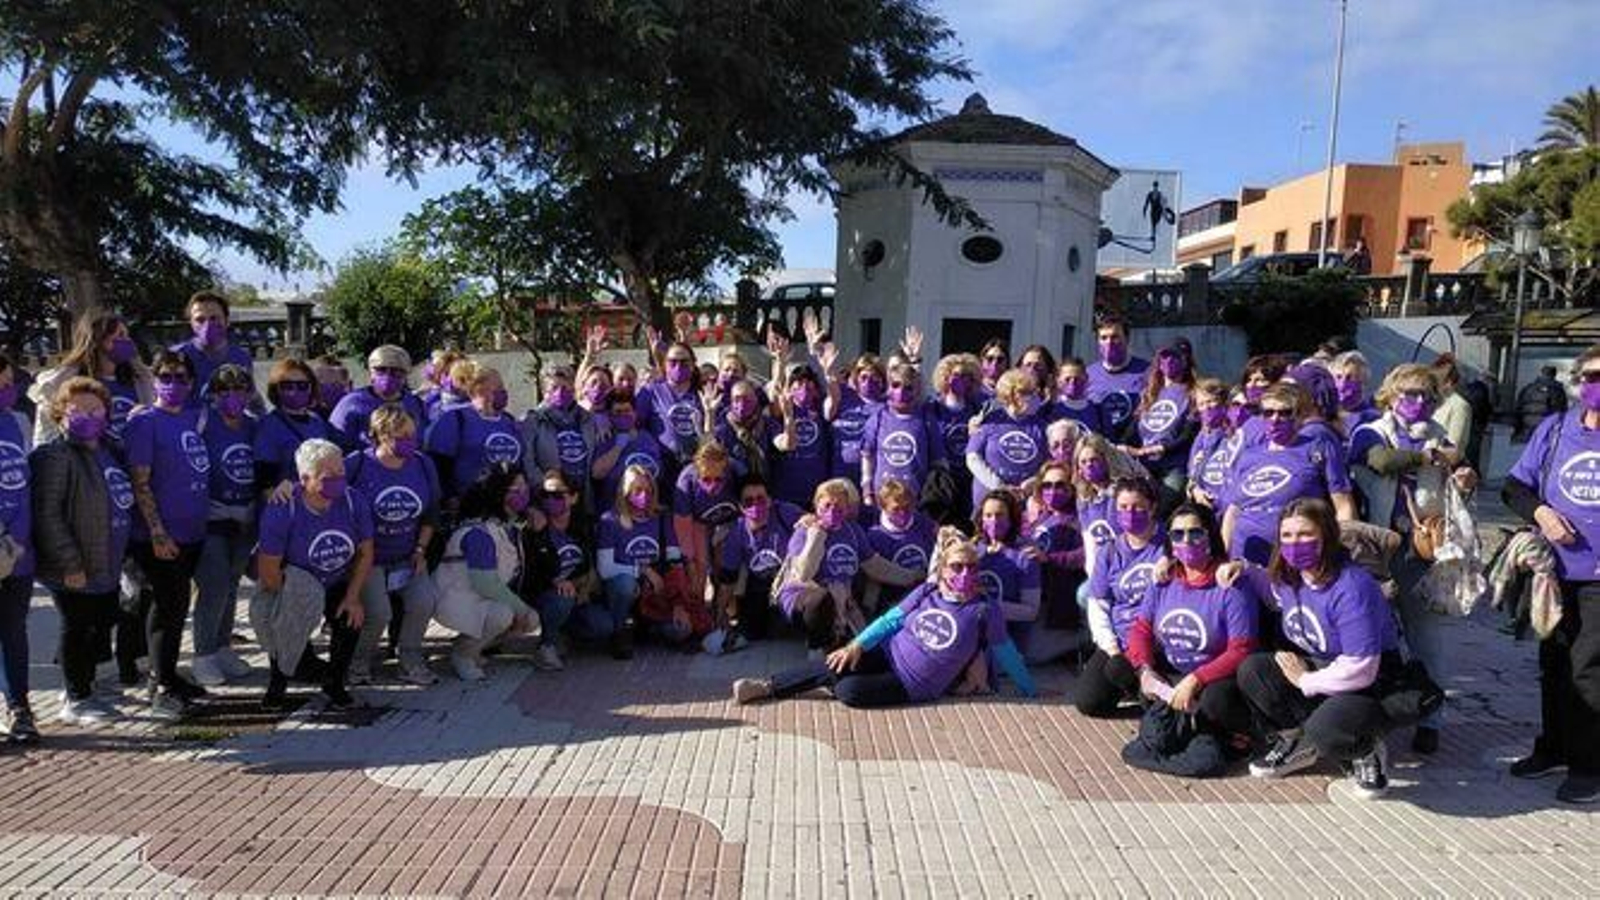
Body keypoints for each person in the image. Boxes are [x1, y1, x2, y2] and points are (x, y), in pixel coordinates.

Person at [732, 527, 1036, 708]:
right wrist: (857, 645)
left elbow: (1004, 650)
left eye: (971, 566)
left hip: (912, 683)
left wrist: (1030, 689)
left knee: (849, 691)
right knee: (839, 661)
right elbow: (891, 620)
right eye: (957, 566)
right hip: (888, 652)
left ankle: (821, 684)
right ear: (944, 569)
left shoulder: (985, 608)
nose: (964, 573)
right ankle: (766, 687)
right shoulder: (928, 590)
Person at [1233, 498, 1413, 799]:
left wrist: (1306, 681)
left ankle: (1365, 749)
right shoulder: (1292, 578)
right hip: (1323, 667)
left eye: (1305, 534)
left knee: (1326, 729)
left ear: (1326, 536)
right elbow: (1272, 592)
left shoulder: (1352, 586)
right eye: (1287, 536)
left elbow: (1362, 667)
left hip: (1371, 679)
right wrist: (1242, 568)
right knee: (1255, 671)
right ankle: (1298, 743)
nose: (1294, 544)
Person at [1348, 363, 1477, 754]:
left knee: (1428, 641)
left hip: (1422, 551)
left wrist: (1463, 477)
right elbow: (1381, 462)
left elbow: (1458, 477)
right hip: (1374, 553)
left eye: (1425, 395)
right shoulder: (1371, 430)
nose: (1417, 402)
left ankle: (1430, 719)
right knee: (1372, 642)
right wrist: (1428, 458)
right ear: (1391, 395)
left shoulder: (1440, 437)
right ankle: (1372, 723)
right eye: (1409, 394)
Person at [1501, 345, 1600, 804]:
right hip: (1555, 572)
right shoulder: (1556, 429)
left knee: (1588, 670)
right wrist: (1541, 513)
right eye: (1592, 376)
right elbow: (1515, 486)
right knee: (1554, 665)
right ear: (1579, 383)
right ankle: (1555, 748)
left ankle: (1589, 765)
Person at [30, 378, 133, 726]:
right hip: (74, 564)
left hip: (107, 561)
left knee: (100, 626)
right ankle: (75, 698)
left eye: (95, 408)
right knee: (77, 628)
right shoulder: (54, 455)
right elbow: (48, 514)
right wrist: (69, 561)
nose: (89, 415)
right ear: (61, 413)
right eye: (78, 409)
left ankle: (88, 688)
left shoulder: (108, 449)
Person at [1124, 504, 1257, 766]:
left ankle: (1233, 737)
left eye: (1195, 533)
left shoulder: (1230, 583)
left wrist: (1196, 680)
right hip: (1175, 673)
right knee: (1124, 669)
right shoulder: (1164, 578)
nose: (1186, 541)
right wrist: (1145, 670)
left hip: (1216, 679)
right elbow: (1140, 630)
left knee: (1214, 701)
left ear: (1210, 535)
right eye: (1177, 534)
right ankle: (1194, 732)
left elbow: (1241, 649)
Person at [124, 350, 212, 717]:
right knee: (166, 607)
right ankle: (159, 685)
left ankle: (169, 675)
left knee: (178, 609)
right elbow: (140, 482)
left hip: (192, 532)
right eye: (165, 377)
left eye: (180, 378)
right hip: (159, 538)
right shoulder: (145, 422)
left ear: (191, 383)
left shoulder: (193, 419)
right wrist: (158, 532)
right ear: (154, 381)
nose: (173, 384)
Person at [254, 438, 374, 708]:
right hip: (295, 581)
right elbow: (268, 569)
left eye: (341, 472)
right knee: (285, 626)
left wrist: (353, 597)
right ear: (304, 478)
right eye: (328, 475)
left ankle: (335, 682)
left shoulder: (353, 501)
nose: (338, 479)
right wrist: (290, 609)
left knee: (350, 618)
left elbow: (366, 552)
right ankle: (279, 680)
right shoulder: (283, 507)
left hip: (335, 579)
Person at [346, 407, 443, 685]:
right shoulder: (358, 464)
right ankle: (358, 662)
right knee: (378, 613)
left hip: (408, 553)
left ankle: (410, 658)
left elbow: (431, 512)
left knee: (424, 601)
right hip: (369, 558)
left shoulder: (422, 464)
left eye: (412, 435)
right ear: (381, 436)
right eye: (401, 436)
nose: (409, 441)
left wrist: (421, 549)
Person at [774, 478, 919, 654]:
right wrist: (817, 536)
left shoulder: (852, 530)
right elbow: (804, 573)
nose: (832, 511)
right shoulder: (805, 530)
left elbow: (875, 566)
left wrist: (912, 576)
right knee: (820, 600)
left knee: (866, 648)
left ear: (847, 508)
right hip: (804, 596)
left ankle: (836, 642)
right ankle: (817, 647)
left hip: (841, 598)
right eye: (827, 505)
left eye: (839, 506)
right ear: (816, 504)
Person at [1222, 384, 1355, 565]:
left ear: (1299, 416)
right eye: (1268, 413)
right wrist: (1224, 557)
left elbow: (1343, 505)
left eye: (1284, 413)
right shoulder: (1248, 455)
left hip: (1295, 556)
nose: (1275, 419)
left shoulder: (1318, 447)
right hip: (1244, 555)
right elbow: (1233, 511)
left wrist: (1334, 553)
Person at [433, 462, 539, 681]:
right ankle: (463, 654)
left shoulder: (509, 526)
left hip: (478, 598)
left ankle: (473, 647)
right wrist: (522, 609)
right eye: (515, 490)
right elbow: (485, 583)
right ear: (498, 493)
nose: (523, 494)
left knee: (526, 618)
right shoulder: (479, 532)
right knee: (506, 615)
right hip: (457, 598)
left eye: (525, 489)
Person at [188, 364, 258, 687]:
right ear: (213, 394)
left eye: (240, 389)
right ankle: (202, 655)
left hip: (244, 518)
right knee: (213, 586)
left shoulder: (254, 426)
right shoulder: (202, 422)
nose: (233, 396)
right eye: (224, 391)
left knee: (231, 585)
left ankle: (222, 646)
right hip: (211, 518)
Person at [1076, 478, 1166, 717]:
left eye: (1137, 507)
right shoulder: (1110, 551)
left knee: (1124, 670)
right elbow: (1098, 604)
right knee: (1089, 702)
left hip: (1158, 641)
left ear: (1153, 507)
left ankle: (1157, 699)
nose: (1130, 513)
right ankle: (1143, 693)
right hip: (1121, 639)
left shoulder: (1168, 544)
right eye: (1123, 507)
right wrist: (1112, 647)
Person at [595, 463, 681, 657]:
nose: (644, 495)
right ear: (625, 491)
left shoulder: (661, 517)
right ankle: (619, 633)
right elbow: (605, 568)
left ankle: (648, 628)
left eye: (648, 490)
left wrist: (677, 601)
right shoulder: (610, 520)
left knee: (679, 631)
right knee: (626, 584)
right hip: (622, 590)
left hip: (654, 592)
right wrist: (642, 570)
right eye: (637, 490)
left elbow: (675, 558)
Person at [29, 310, 150, 448]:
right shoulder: (66, 384)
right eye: (120, 335)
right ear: (98, 339)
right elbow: (46, 436)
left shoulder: (139, 380)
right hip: (91, 463)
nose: (127, 341)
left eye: (127, 336)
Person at [716, 473, 801, 641]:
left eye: (761, 499)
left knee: (782, 629)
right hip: (758, 587)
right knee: (751, 633)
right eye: (748, 501)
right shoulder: (737, 532)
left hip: (788, 584)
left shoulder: (784, 512)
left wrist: (807, 519)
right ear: (740, 506)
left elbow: (808, 521)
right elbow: (728, 580)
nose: (755, 504)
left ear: (769, 500)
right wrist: (720, 614)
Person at [427, 362, 525, 500]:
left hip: (507, 505)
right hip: (468, 505)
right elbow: (439, 464)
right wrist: (449, 498)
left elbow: (520, 463)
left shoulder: (508, 420)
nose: (503, 392)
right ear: (477, 390)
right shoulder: (454, 418)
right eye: (497, 388)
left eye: (502, 387)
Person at [521, 470, 587, 670]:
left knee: (601, 625)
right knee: (562, 598)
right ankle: (546, 645)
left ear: (574, 497)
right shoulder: (534, 526)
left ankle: (561, 632)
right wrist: (555, 580)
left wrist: (580, 584)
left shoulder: (583, 526)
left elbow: (589, 565)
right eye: (546, 495)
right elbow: (532, 572)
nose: (551, 500)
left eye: (558, 495)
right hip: (543, 593)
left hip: (576, 591)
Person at [0, 355, 34, 739]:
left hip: (20, 549)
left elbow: (26, 481)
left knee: (13, 630)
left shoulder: (18, 421)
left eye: (9, 382)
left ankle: (19, 708)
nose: (7, 390)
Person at [964, 369, 1047, 511]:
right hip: (989, 503)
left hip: (1024, 505)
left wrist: (1034, 481)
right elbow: (972, 457)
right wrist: (999, 486)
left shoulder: (1042, 426)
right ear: (1014, 395)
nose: (1036, 397)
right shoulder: (990, 420)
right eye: (1030, 393)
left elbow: (1049, 463)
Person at [524, 364, 602, 512]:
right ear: (543, 391)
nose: (560, 392)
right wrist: (548, 489)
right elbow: (527, 461)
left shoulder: (587, 418)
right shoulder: (533, 420)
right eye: (554, 388)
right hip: (550, 499)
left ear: (573, 388)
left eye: (565, 388)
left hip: (583, 497)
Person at [974, 490, 1042, 654]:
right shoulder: (974, 549)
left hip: (1009, 641)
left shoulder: (1025, 557)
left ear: (1011, 519)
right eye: (988, 515)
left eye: (1000, 515)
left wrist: (988, 609)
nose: (994, 521)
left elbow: (1030, 612)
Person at [1131, 342, 1198, 507]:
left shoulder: (1193, 393)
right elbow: (1133, 429)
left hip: (1173, 466)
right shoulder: (1150, 393)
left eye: (1174, 356)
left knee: (1165, 505)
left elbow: (1187, 436)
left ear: (1186, 360)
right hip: (1144, 465)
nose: (1168, 361)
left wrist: (1156, 449)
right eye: (1164, 356)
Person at [253, 358, 335, 493]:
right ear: (276, 389)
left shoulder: (317, 421)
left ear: (312, 387)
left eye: (302, 385)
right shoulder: (268, 426)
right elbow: (265, 484)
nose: (294, 391)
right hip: (287, 504)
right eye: (287, 386)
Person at [862, 363, 941, 500]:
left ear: (916, 390)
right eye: (895, 385)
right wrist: (867, 490)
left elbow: (938, 460)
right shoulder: (878, 418)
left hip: (916, 500)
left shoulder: (926, 420)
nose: (901, 391)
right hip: (882, 498)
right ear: (888, 388)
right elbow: (868, 456)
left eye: (908, 387)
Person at [672, 441, 740, 601]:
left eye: (718, 479)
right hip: (697, 522)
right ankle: (699, 610)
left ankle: (724, 607)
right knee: (699, 566)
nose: (713, 485)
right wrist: (690, 563)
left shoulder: (737, 472)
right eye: (706, 479)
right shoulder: (686, 481)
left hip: (728, 521)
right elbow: (683, 526)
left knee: (724, 560)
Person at [329, 345, 427, 449]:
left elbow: (421, 439)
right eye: (381, 370)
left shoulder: (415, 403)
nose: (387, 376)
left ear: (406, 374)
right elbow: (336, 442)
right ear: (371, 372)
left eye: (396, 371)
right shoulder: (352, 403)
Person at [171, 290, 257, 406]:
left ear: (227, 321)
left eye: (214, 318)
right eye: (200, 320)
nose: (207, 325)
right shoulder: (176, 356)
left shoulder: (241, 357)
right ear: (191, 323)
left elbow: (249, 399)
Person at [864, 478, 938, 613]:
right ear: (883, 507)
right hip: (892, 601)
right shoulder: (875, 536)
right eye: (896, 509)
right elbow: (875, 578)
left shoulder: (924, 523)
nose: (903, 513)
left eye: (907, 507)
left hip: (926, 594)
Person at [590, 389, 664, 514]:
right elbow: (596, 473)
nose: (623, 415)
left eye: (627, 411)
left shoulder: (647, 437)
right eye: (618, 412)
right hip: (614, 513)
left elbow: (658, 470)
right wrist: (617, 448)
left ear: (635, 412)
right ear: (609, 415)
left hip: (645, 512)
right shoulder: (605, 438)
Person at [771, 365, 831, 508]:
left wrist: (828, 370)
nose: (803, 392)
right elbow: (777, 388)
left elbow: (833, 396)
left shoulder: (820, 410)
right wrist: (781, 361)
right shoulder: (782, 411)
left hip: (816, 492)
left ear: (816, 391)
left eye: (809, 388)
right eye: (798, 387)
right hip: (786, 492)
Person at [1085, 314, 1150, 437]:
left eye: (1115, 337)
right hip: (1099, 448)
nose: (1109, 343)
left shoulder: (1148, 371)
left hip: (1135, 449)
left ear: (1127, 339)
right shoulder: (1088, 375)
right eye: (1103, 338)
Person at [1186, 379, 1232, 509]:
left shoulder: (1234, 434)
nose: (1206, 407)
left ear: (1223, 403)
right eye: (1201, 404)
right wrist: (1195, 490)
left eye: (1211, 401)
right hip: (1201, 501)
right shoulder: (1200, 437)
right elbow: (1191, 476)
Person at [1331, 351, 1380, 439]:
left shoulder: (1370, 418)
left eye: (1350, 378)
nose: (1342, 383)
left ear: (1363, 382)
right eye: (1338, 377)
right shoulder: (1326, 408)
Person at [1515, 365, 1569, 440]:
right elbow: (1562, 411)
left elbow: (1518, 408)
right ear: (1554, 375)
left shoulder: (1528, 388)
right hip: (1547, 431)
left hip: (1526, 431)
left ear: (1541, 373)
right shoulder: (1558, 391)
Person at [1053, 357, 1105, 435]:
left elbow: (1108, 439)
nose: (1073, 383)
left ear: (1086, 379)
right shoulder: (1052, 409)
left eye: (1077, 379)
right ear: (1058, 380)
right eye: (1067, 379)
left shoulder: (1098, 409)